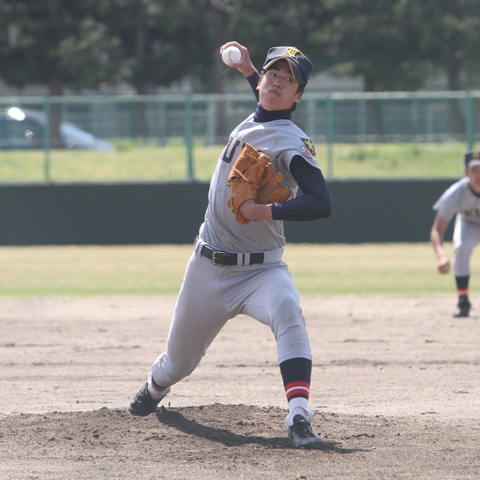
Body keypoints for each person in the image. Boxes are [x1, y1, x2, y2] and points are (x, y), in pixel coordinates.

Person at [128, 42, 333, 449]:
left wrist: (264, 211)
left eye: (287, 79)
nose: (275, 83)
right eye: (273, 75)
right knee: (178, 364)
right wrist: (249, 70)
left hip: (262, 270)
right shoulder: (261, 111)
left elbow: (321, 203)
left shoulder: (292, 144)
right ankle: (154, 388)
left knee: (288, 311)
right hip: (207, 266)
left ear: (299, 95)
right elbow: (266, 100)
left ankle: (299, 416)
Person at [431, 149, 480, 317]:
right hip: (469, 223)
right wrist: (440, 256)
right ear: (466, 173)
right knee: (461, 249)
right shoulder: (456, 193)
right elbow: (437, 229)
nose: (478, 174)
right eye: (474, 170)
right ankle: (463, 301)